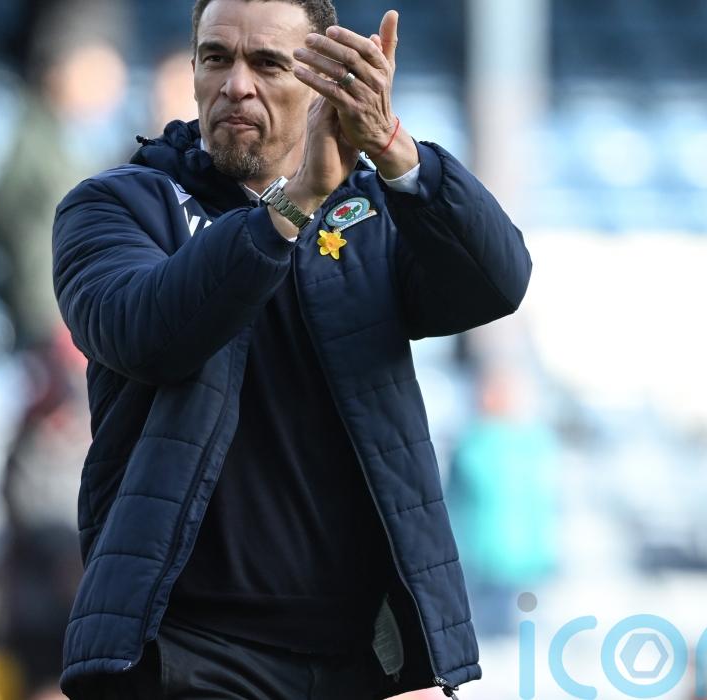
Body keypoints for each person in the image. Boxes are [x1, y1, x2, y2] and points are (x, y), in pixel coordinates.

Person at [51, 1, 532, 698]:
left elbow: (496, 283)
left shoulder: (370, 213)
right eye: (216, 58)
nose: (236, 85)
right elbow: (145, 335)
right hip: (188, 648)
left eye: (268, 63)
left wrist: (394, 148)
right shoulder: (119, 206)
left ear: (320, 84)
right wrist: (292, 204)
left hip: (358, 654)